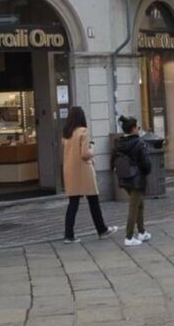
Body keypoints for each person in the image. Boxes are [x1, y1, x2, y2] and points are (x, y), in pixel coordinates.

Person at [61, 106, 116, 244]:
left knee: (73, 203)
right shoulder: (83, 132)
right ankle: (102, 229)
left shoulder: (66, 133)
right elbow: (85, 154)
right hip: (84, 171)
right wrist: (92, 147)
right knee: (93, 201)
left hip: (69, 170)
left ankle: (69, 234)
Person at [113, 116, 151, 247]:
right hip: (137, 178)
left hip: (125, 178)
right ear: (133, 129)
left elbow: (113, 161)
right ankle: (129, 237)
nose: (138, 130)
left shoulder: (119, 143)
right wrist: (146, 172)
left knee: (139, 204)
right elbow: (146, 163)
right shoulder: (139, 143)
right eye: (138, 127)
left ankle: (142, 231)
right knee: (134, 207)